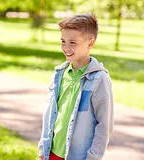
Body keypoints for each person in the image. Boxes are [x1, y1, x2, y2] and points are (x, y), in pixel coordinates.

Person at [38, 14, 114, 160]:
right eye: (63, 41)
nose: (66, 47)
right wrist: (43, 149)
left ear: (90, 43)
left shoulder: (99, 79)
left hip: (78, 156)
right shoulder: (59, 74)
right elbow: (49, 114)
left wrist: (93, 157)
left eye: (72, 42)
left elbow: (104, 125)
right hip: (52, 153)